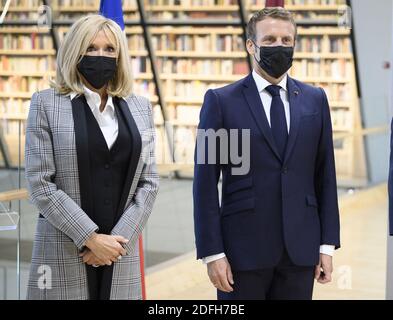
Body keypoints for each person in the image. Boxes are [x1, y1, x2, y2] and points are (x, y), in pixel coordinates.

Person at [193, 7, 340, 300]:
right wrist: (212, 253)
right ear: (251, 45)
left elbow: (325, 176)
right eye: (270, 39)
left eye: (287, 41)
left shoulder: (315, 100)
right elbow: (205, 184)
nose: (279, 47)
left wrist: (327, 245)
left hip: (300, 251)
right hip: (242, 253)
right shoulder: (220, 102)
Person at [25, 14, 159, 300]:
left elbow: (149, 182)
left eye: (110, 49)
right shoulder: (45, 104)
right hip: (63, 252)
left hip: (121, 254)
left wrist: (116, 244)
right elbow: (40, 183)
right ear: (75, 52)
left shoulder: (141, 108)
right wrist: (91, 238)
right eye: (91, 48)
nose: (101, 56)